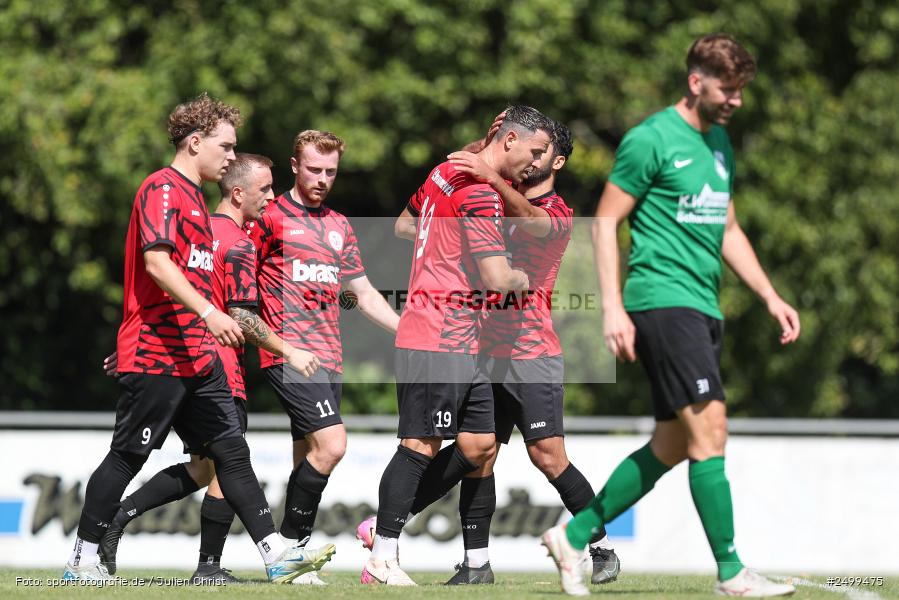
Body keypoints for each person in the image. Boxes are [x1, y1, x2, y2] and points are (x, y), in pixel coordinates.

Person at [541, 34, 800, 597]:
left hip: (703, 305)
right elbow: (605, 222)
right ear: (696, 81)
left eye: (740, 90)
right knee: (711, 429)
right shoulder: (651, 139)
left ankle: (573, 534)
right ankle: (731, 571)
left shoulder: (720, 143)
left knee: (674, 443)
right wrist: (613, 308)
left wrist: (770, 295)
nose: (735, 100)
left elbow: (728, 228)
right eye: (727, 89)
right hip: (662, 300)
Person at [63, 94, 332, 584]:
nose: (231, 156)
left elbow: (190, 280)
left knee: (231, 453)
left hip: (198, 357)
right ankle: (82, 559)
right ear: (194, 143)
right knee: (128, 456)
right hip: (158, 354)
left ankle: (277, 556)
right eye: (225, 146)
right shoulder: (162, 189)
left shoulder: (197, 203)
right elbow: (156, 264)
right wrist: (206, 314)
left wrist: (206, 317)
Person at [410, 118, 619, 585]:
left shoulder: (556, 211)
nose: (531, 158)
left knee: (548, 456)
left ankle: (602, 546)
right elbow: (467, 172)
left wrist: (491, 176)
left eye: (542, 153)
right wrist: (488, 145)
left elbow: (533, 220)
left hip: (531, 354)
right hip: (484, 348)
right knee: (476, 452)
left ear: (557, 162)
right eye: (529, 148)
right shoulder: (493, 193)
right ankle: (475, 565)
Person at [361, 105, 550, 586]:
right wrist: (524, 276)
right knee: (419, 445)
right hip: (439, 333)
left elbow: (405, 225)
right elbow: (499, 278)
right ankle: (382, 557)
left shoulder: (444, 173)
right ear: (509, 139)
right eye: (534, 151)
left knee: (480, 444)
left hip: (465, 337)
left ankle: (473, 565)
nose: (537, 163)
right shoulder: (480, 194)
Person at [247, 130, 400, 584]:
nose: (322, 179)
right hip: (290, 355)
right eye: (314, 169)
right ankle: (287, 553)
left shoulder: (339, 225)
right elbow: (234, 276)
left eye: (331, 172)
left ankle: (295, 559)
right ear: (295, 166)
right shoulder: (270, 217)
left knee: (307, 457)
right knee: (333, 445)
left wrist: (406, 330)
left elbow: (362, 293)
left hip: (330, 358)